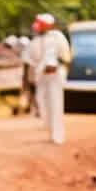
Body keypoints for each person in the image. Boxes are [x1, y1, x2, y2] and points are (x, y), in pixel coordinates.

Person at [29, 14, 71, 145]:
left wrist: (56, 65)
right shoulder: (37, 40)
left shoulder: (58, 37)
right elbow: (33, 57)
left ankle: (57, 135)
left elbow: (66, 56)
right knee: (42, 101)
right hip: (42, 76)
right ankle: (50, 129)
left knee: (55, 103)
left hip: (55, 75)